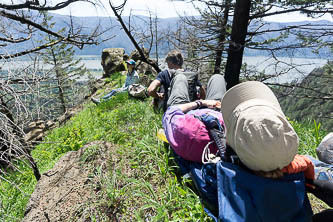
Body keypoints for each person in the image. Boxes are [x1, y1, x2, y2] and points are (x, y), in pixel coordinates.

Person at [164, 79, 315, 221]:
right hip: (216, 112)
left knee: (187, 79)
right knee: (217, 80)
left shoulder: (197, 138)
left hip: (194, 114)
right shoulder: (290, 165)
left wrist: (199, 103)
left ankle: (179, 77)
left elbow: (170, 114)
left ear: (229, 138)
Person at [162, 73, 226, 162]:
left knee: (180, 78)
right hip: (217, 110)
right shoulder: (229, 139)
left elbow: (171, 111)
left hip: (187, 112)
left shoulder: (189, 131)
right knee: (217, 78)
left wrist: (200, 103)